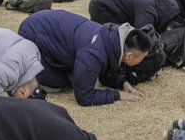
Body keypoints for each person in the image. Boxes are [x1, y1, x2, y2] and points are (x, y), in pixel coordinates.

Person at [18, 10, 150, 106]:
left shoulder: (113, 39)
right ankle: (31, 73)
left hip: (49, 28)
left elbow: (104, 70)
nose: (142, 61)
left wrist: (123, 83)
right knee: (63, 83)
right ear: (129, 55)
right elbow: (84, 97)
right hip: (32, 33)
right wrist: (118, 95)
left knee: (78, 76)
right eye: (142, 58)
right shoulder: (94, 53)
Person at [88, 0, 181, 32]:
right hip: (102, 5)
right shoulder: (148, 12)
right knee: (117, 34)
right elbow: (140, 35)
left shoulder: (157, 4)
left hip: (107, 2)